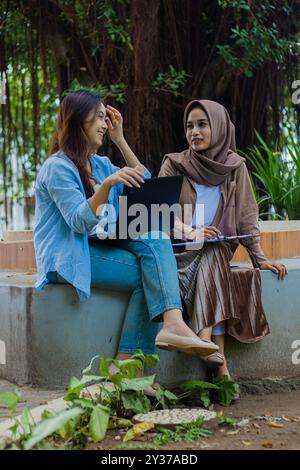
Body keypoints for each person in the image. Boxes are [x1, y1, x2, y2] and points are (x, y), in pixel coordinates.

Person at [33, 90, 219, 393]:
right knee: (152, 273)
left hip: (100, 245)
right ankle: (142, 354)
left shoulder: (101, 163)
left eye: (106, 119)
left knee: (153, 243)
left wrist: (120, 140)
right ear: (80, 121)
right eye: (99, 118)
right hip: (67, 254)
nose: (105, 124)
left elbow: (144, 180)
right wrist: (106, 186)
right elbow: (78, 221)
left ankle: (133, 359)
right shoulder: (58, 167)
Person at [159, 99, 288, 381]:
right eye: (189, 126)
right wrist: (192, 233)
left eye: (202, 124)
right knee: (213, 249)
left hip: (212, 257)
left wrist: (261, 259)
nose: (194, 131)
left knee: (215, 248)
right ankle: (217, 359)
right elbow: (159, 216)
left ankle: (204, 343)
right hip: (178, 257)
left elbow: (246, 216)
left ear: (218, 126)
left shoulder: (235, 167)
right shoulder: (174, 164)